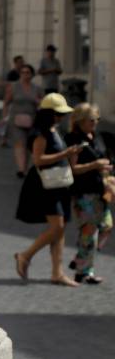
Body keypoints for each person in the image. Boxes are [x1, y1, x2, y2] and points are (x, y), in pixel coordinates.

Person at [14, 95, 87, 287]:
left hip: (59, 183)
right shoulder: (40, 133)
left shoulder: (55, 130)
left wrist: (72, 155)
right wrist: (66, 153)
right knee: (57, 228)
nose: (60, 117)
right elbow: (38, 159)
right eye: (57, 114)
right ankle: (25, 255)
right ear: (48, 114)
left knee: (60, 230)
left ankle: (57, 273)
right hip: (45, 185)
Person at [65, 103, 113, 284]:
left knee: (106, 226)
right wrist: (94, 165)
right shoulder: (73, 139)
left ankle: (80, 260)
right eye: (91, 120)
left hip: (101, 190)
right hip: (84, 192)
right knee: (88, 233)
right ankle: (84, 272)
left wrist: (107, 170)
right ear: (80, 121)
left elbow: (104, 158)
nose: (95, 123)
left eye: (97, 119)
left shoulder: (97, 137)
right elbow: (73, 168)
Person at [2, 64, 43, 178]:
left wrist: (38, 102)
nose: (25, 75)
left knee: (28, 144)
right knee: (20, 143)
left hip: (32, 119)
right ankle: (20, 169)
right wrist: (4, 117)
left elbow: (42, 104)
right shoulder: (13, 86)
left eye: (28, 72)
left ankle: (25, 167)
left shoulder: (37, 88)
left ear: (32, 74)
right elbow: (6, 103)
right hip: (16, 119)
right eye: (23, 72)